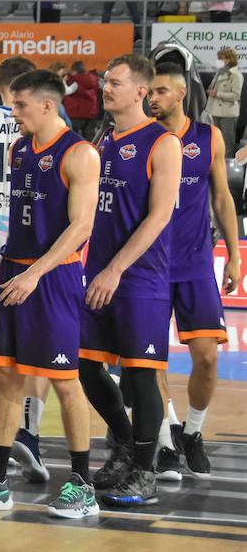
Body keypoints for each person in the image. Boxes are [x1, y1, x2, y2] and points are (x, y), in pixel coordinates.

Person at [0, 69, 100, 518]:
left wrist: (35, 274)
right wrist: (3, 270)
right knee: (7, 377)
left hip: (54, 279)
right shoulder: (20, 148)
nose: (14, 113)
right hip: (14, 271)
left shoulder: (80, 154)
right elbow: (22, 218)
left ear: (48, 105)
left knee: (66, 382)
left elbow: (81, 227)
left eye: (21, 106)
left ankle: (83, 484)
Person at [78, 55, 180, 509]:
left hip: (139, 278)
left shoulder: (163, 143)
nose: (106, 88)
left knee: (141, 377)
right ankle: (123, 444)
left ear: (142, 91)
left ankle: (146, 470)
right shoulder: (102, 140)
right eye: (105, 81)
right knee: (84, 365)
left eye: (115, 83)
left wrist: (116, 268)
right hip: (96, 273)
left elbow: (159, 217)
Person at [146, 67, 237, 481]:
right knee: (150, 361)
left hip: (196, 262)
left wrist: (233, 255)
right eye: (150, 91)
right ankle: (166, 440)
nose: (153, 97)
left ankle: (193, 434)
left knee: (206, 357)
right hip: (149, 264)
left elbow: (222, 197)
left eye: (161, 91)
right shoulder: (141, 138)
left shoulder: (208, 138)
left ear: (182, 94)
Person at [205, 48, 242, 150]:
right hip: (214, 111)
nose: (218, 61)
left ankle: (227, 163)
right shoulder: (220, 72)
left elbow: (235, 95)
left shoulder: (236, 75)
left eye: (220, 59)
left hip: (227, 113)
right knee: (214, 141)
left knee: (226, 143)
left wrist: (217, 94)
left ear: (228, 60)